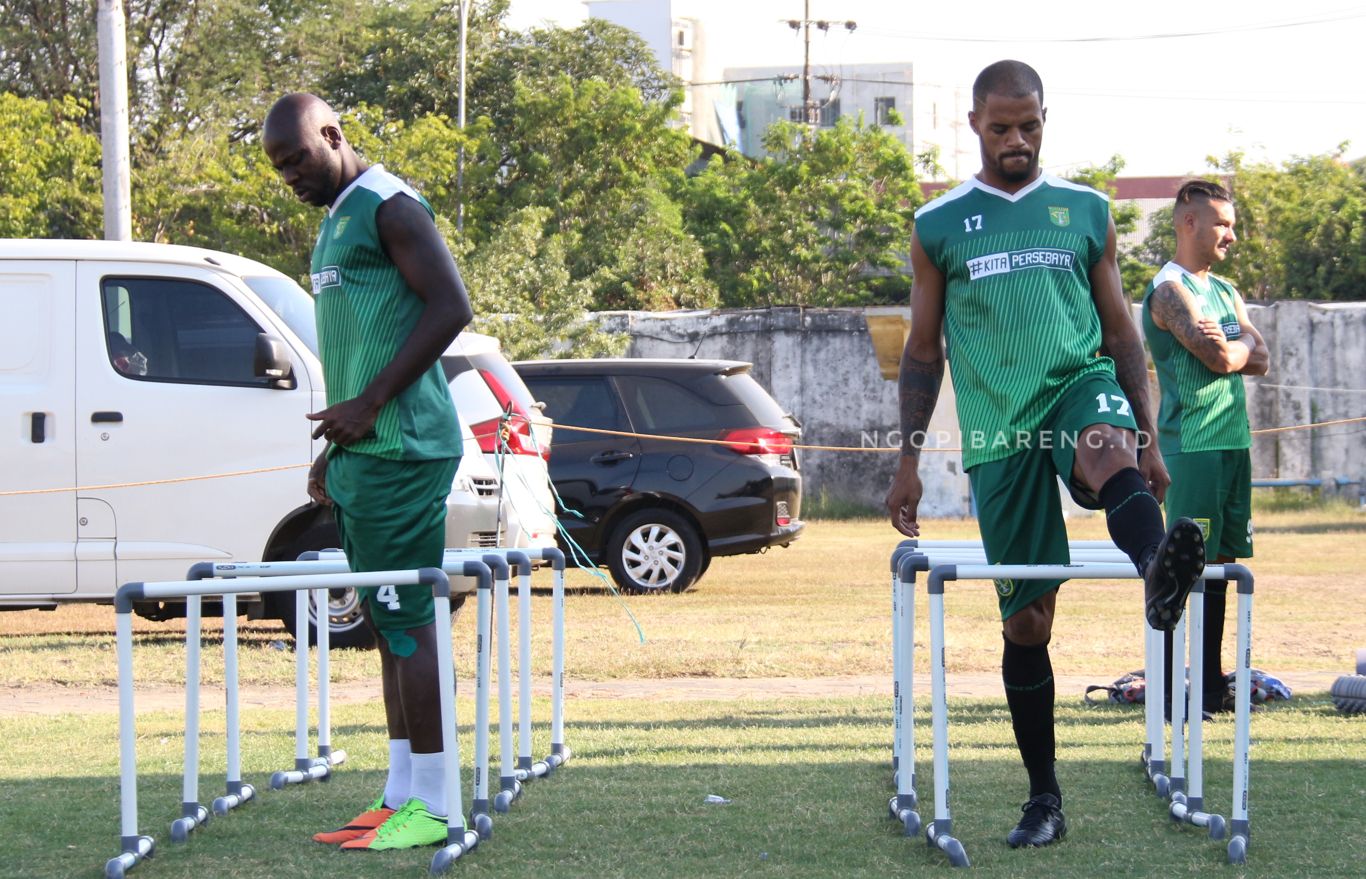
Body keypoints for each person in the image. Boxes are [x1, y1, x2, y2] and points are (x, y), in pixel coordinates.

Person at [884, 60, 1206, 849]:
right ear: (974, 126)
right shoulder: (940, 225)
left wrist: (1150, 437)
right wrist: (908, 458)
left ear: (1043, 118)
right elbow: (923, 352)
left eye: (1030, 125)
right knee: (1028, 622)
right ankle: (1045, 799)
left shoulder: (1084, 211)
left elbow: (1123, 334)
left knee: (1105, 446)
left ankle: (1159, 565)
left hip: (1077, 385)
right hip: (999, 430)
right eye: (1001, 128)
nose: (1017, 140)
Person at [263, 93, 473, 851]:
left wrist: (374, 404)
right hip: (367, 450)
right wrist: (340, 440)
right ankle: (400, 791)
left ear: (333, 134)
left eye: (297, 157)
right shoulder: (336, 217)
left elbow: (452, 306)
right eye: (278, 166)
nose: (289, 173)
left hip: (407, 444)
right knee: (389, 626)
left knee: (409, 623)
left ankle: (441, 804)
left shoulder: (389, 204)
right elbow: (361, 343)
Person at [1142, 179, 1268, 715]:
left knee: (1221, 563)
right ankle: (1171, 688)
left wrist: (1234, 348)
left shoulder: (1226, 290)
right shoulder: (1170, 291)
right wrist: (1239, 350)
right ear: (1187, 222)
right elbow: (1222, 358)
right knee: (1182, 566)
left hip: (1234, 442)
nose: (1230, 236)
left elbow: (1260, 356)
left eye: (1232, 225)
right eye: (1222, 223)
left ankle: (1212, 686)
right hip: (1191, 445)